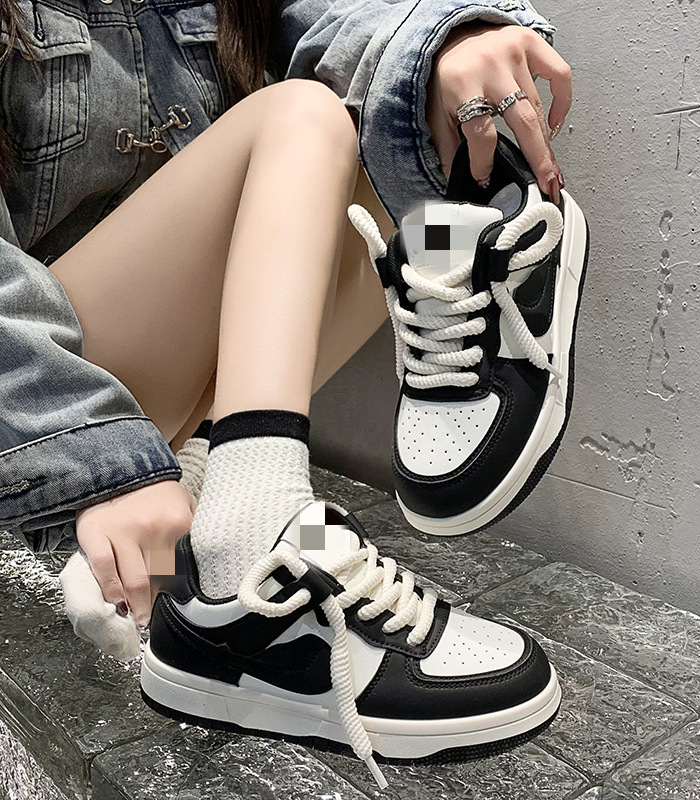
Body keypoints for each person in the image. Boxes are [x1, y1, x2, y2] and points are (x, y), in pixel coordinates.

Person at [0, 0, 574, 785]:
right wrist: (94, 458)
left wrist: (448, 43)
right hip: (33, 390)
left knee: (391, 111)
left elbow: (337, 18)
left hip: (161, 399)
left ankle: (219, 491)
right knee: (304, 115)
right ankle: (245, 559)